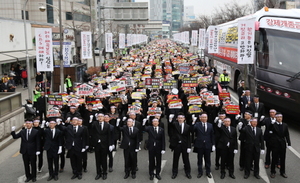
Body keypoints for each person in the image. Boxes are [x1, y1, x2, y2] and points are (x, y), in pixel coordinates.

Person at [191, 113, 215, 179]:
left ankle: (208, 172)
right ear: (200, 118)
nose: (204, 118)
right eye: (203, 117)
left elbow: (212, 135)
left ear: (207, 118)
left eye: (205, 117)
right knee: (199, 159)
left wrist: (213, 144)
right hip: (199, 144)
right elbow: (192, 130)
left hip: (207, 144)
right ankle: (200, 172)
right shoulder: (197, 124)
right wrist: (193, 122)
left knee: (208, 159)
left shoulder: (210, 125)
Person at [91, 113, 113, 180]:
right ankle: (98, 173)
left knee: (104, 159)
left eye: (101, 116)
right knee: (97, 160)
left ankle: (104, 173)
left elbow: (109, 135)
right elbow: (92, 133)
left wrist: (110, 144)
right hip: (97, 144)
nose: (100, 118)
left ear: (104, 118)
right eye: (99, 117)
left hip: (104, 144)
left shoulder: (107, 125)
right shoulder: (95, 124)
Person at [269, 113, 291, 178]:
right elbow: (269, 130)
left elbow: (287, 134)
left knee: (283, 158)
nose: (279, 118)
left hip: (282, 144)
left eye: (280, 117)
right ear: (276, 118)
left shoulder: (285, 125)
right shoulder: (273, 125)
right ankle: (273, 172)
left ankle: (282, 172)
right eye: (278, 117)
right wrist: (271, 124)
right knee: (274, 158)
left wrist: (289, 143)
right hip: (275, 144)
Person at [169, 114, 192, 179]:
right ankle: (174, 173)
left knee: (186, 159)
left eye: (181, 118)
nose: (180, 119)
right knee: (175, 159)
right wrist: (170, 120)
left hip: (184, 145)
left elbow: (188, 137)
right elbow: (170, 126)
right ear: (177, 119)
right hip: (177, 145)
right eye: (179, 118)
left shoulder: (187, 126)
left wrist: (189, 146)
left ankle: (188, 172)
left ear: (184, 119)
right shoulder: (175, 124)